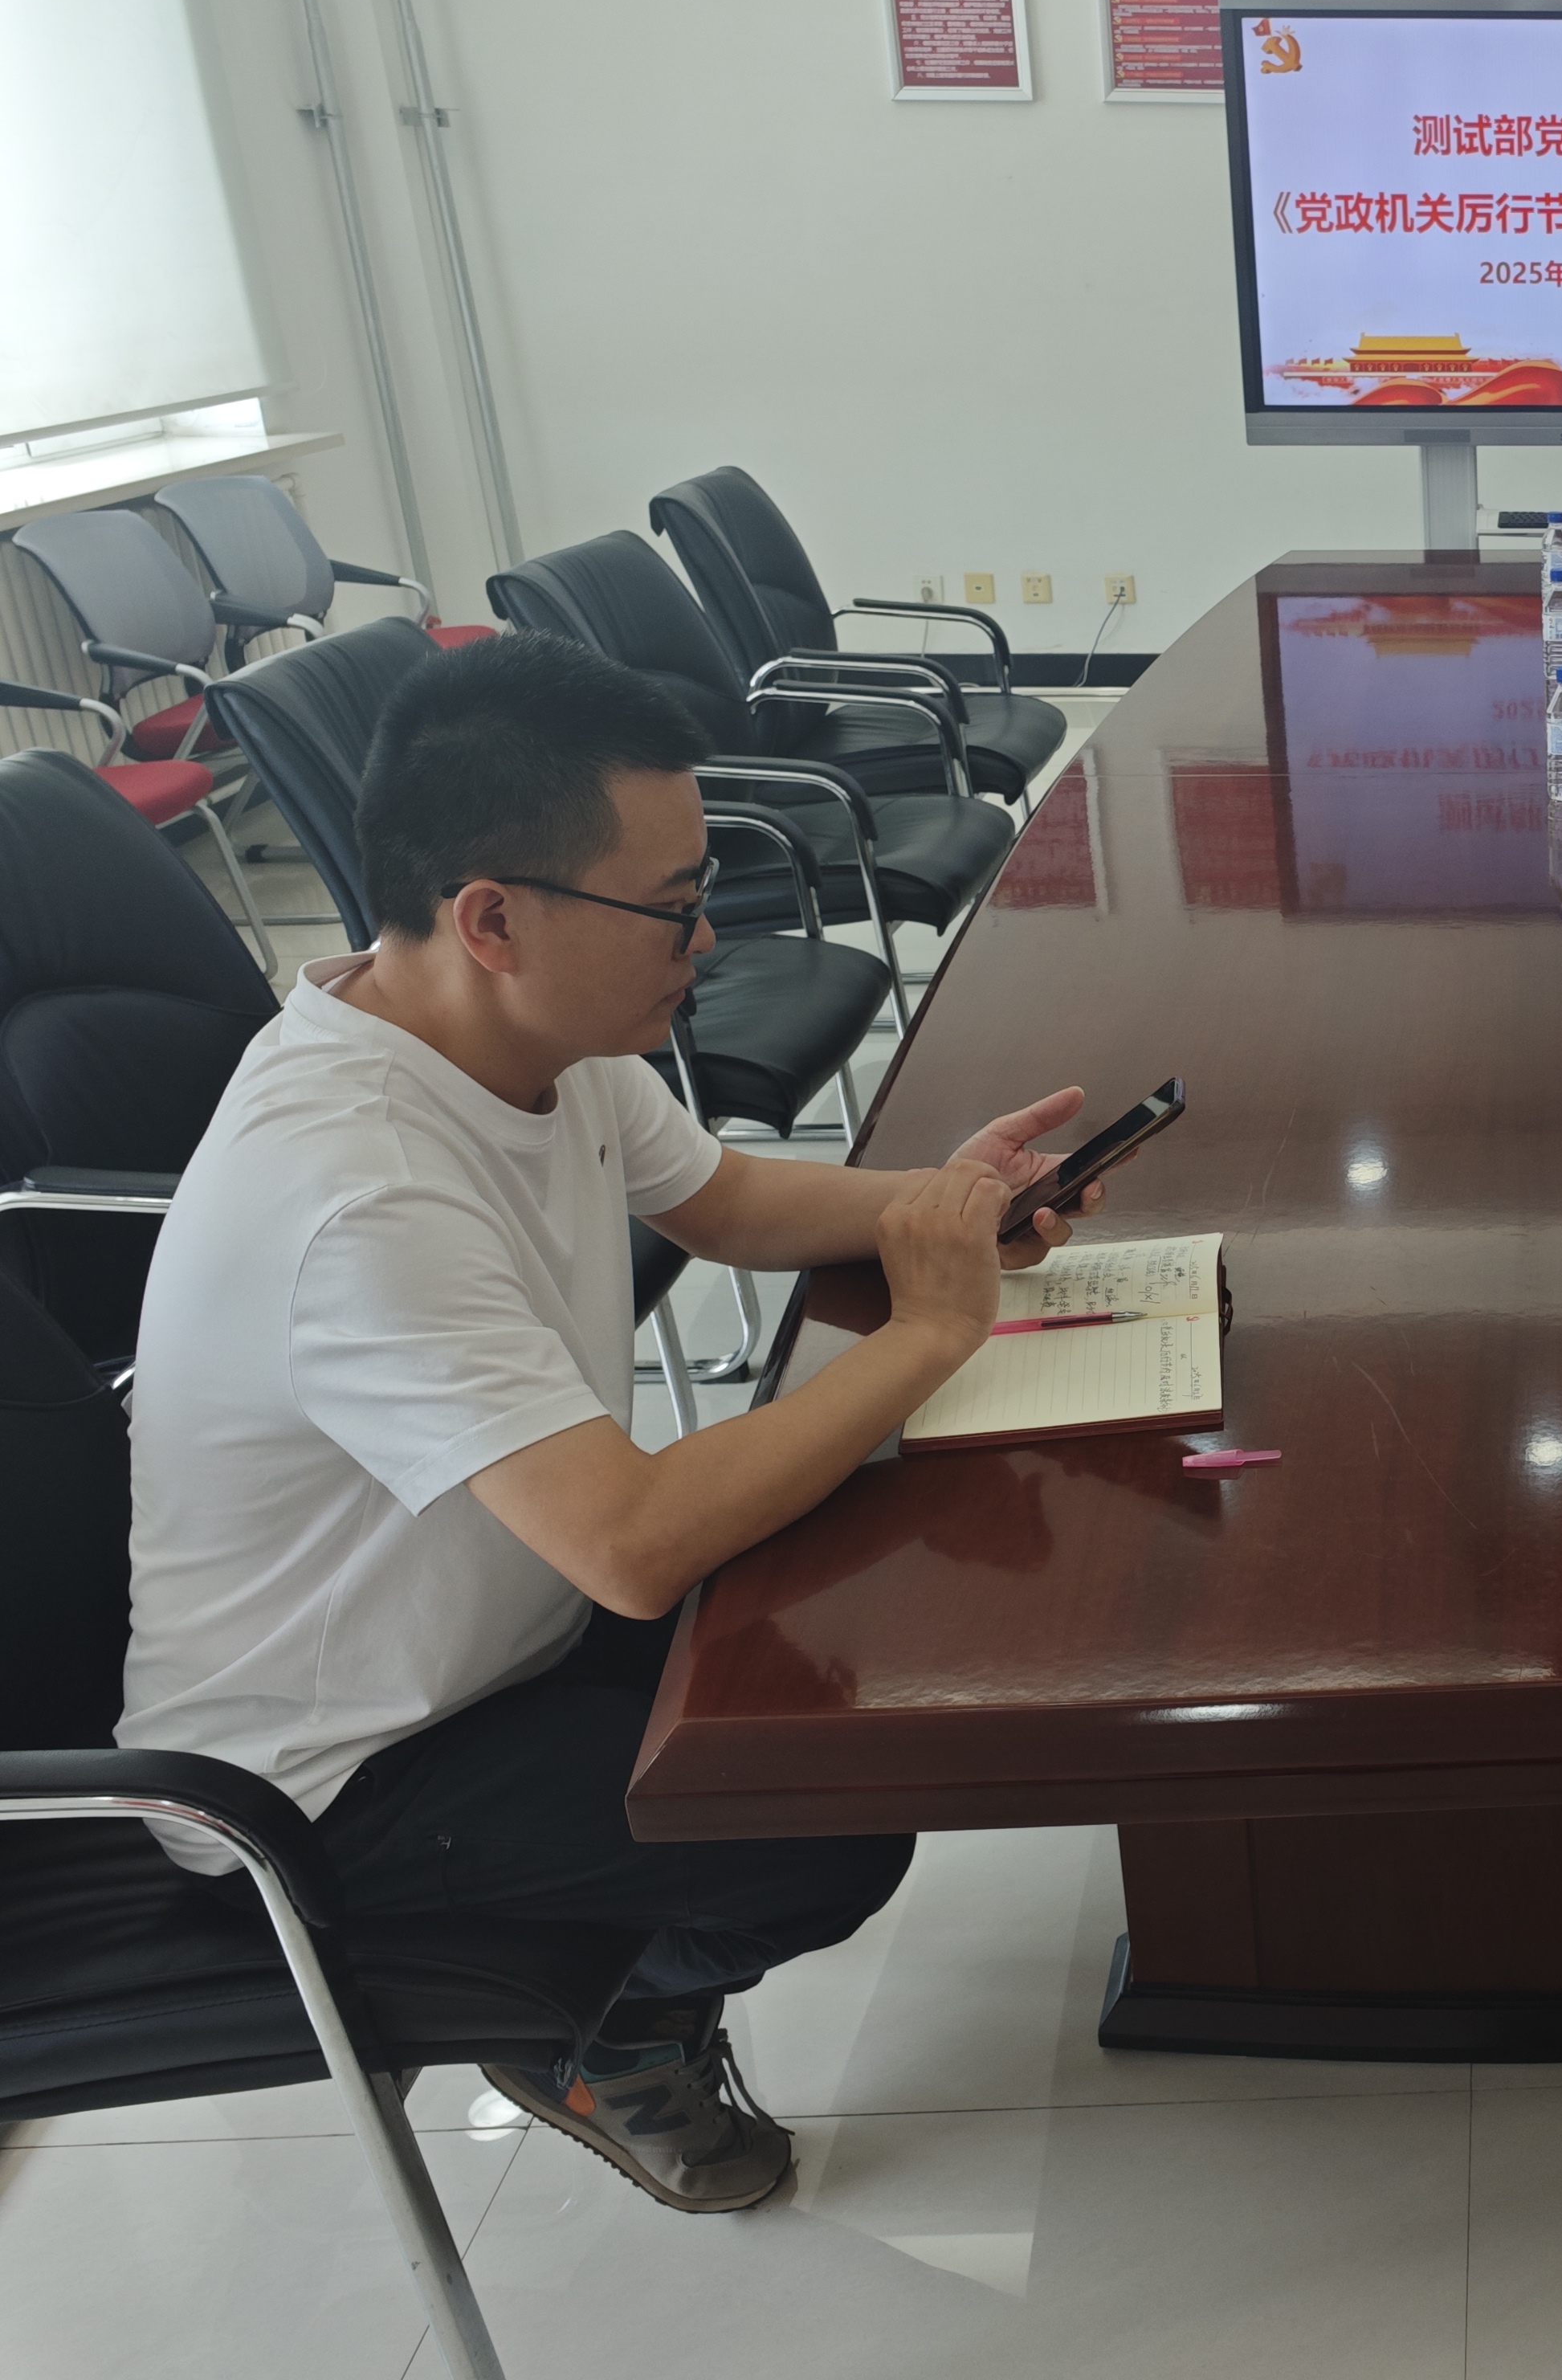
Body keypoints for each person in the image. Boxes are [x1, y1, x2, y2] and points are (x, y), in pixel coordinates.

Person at [119, 633, 1115, 2214]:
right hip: (327, 1781)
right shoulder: (357, 1193)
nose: (705, 936)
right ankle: (599, 2028)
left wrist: (943, 1206)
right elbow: (634, 1545)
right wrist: (930, 1326)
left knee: (855, 1634)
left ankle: (598, 1981)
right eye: (672, 904)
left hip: (496, 1627)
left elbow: (723, 1199)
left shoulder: (515, 1033)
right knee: (821, 1819)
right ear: (494, 918)